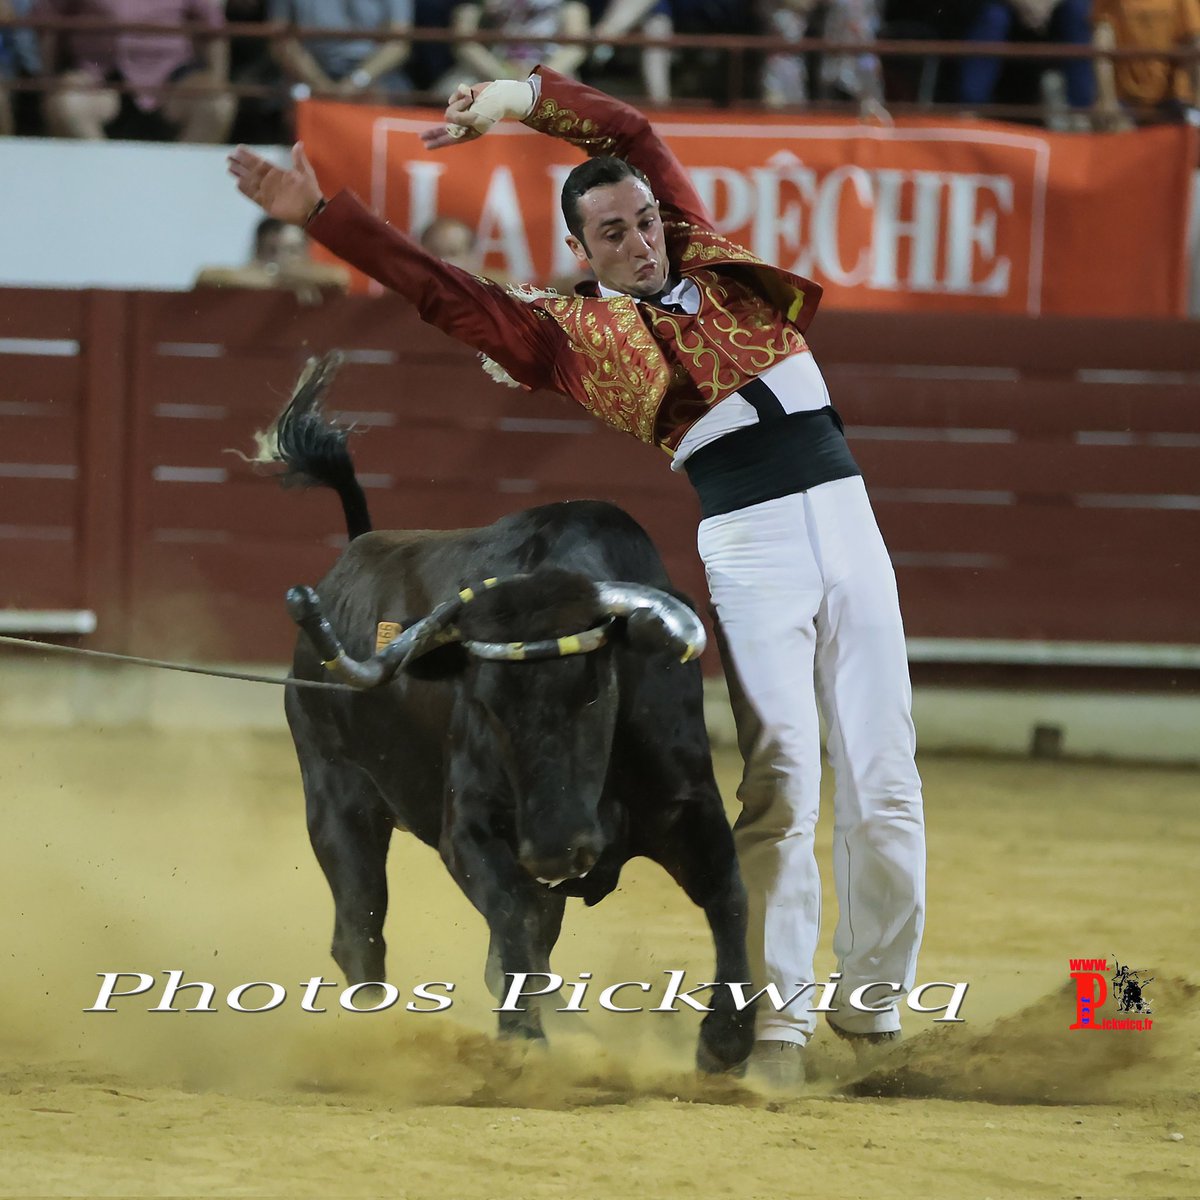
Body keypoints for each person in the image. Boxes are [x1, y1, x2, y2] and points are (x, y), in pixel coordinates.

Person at [227, 69, 926, 1091]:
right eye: (614, 235)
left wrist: (513, 96)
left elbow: (633, 128)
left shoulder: (701, 253)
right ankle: (779, 1024)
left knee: (889, 779)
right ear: (581, 251)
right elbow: (438, 289)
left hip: (853, 527)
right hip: (752, 540)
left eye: (645, 223)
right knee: (786, 784)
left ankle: (876, 1006)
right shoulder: (562, 335)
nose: (641, 243)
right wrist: (327, 217)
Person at [36, 0, 236, 142]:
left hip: (171, 77)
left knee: (216, 104)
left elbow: (213, 30)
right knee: (67, 104)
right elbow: (48, 26)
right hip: (98, 74)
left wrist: (216, 80)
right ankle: (103, 181)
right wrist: (49, 82)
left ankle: (176, 182)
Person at [269, 0, 413, 101]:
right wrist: (319, 84)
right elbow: (280, 41)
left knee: (389, 95)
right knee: (293, 96)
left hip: (373, 73)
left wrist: (357, 81)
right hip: (309, 71)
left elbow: (398, 44)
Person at [1092, 0, 1200, 129]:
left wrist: (1198, 96)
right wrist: (1107, 100)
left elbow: (1193, 43)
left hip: (1172, 101)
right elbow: (1103, 43)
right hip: (1125, 101)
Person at [194, 215, 350, 301]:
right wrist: (274, 276)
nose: (283, 258)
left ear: (306, 252)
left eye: (292, 250)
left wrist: (286, 275)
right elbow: (205, 277)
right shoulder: (248, 276)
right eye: (272, 250)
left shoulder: (319, 278)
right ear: (258, 251)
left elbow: (339, 278)